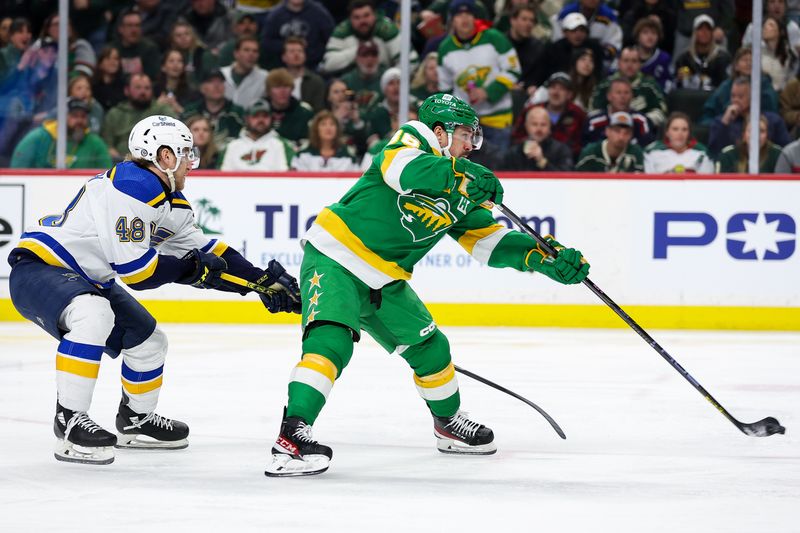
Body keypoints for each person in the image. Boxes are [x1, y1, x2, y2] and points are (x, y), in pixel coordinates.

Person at [264, 92, 590, 477]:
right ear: (440, 131)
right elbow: (401, 172)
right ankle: (291, 438)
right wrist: (461, 178)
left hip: (385, 279)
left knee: (432, 349)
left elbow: (490, 242)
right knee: (331, 341)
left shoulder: (463, 188)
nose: (472, 144)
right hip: (336, 256)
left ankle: (448, 424)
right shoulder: (413, 138)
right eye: (466, 134)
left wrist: (544, 258)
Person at [7, 114, 301, 465]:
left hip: (88, 280)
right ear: (165, 156)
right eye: (186, 152)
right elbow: (137, 273)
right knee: (93, 314)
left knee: (148, 341)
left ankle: (136, 420)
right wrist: (192, 270)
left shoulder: (169, 202)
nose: (193, 161)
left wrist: (259, 282)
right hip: (40, 268)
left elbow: (209, 254)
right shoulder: (132, 185)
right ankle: (69, 421)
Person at [438, 0, 521, 148]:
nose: (464, 18)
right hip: (464, 124)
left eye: (468, 14)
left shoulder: (494, 38)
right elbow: (445, 89)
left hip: (498, 119)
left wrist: (488, 92)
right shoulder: (445, 49)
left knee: (498, 168)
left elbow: (513, 69)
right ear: (452, 20)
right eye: (459, 15)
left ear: (475, 17)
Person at [10, 98, 112, 169]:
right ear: (62, 117)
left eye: (83, 116)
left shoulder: (95, 143)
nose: (79, 121)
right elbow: (17, 168)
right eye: (74, 116)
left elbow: (107, 175)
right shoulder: (38, 138)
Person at [321, 0, 413, 77]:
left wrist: (390, 81)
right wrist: (358, 50)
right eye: (357, 17)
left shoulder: (387, 29)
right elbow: (328, 64)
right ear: (350, 19)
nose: (362, 21)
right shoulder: (342, 31)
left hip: (384, 84)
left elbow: (411, 62)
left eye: (366, 15)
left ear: (375, 15)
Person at [707, 76, 792, 158]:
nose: (735, 100)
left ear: (753, 97)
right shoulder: (721, 122)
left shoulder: (773, 120)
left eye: (740, 96)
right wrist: (724, 122)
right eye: (733, 96)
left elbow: (786, 151)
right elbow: (713, 152)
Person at [101, 73, 173, 161]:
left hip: (156, 165)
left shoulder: (162, 111)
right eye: (138, 87)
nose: (143, 92)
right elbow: (107, 146)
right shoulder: (115, 114)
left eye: (147, 88)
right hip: (122, 165)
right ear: (127, 90)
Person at [590, 46, 667, 128]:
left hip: (641, 131)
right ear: (619, 63)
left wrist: (639, 121)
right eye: (626, 61)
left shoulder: (650, 85)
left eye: (634, 61)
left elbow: (661, 111)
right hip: (608, 129)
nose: (629, 65)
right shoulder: (605, 85)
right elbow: (593, 111)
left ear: (640, 64)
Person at [219, 99, 295, 171]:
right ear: (246, 119)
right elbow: (219, 176)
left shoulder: (283, 145)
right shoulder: (232, 146)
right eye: (256, 116)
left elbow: (292, 175)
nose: (261, 120)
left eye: (265, 116)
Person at [535, 12, 606, 87]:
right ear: (564, 32)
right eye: (573, 30)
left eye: (582, 30)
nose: (578, 34)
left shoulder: (595, 48)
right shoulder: (554, 49)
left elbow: (598, 74)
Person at [181, 69, 245, 150]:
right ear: (202, 88)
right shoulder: (190, 113)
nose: (216, 86)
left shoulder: (236, 114)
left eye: (220, 82)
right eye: (211, 82)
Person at [263, 0, 335, 71]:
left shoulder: (319, 12)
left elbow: (331, 38)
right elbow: (266, 42)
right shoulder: (275, 15)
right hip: (283, 67)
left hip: (314, 65)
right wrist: (286, 46)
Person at [550, 0, 623, 67]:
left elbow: (613, 44)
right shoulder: (565, 13)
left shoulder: (609, 17)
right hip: (565, 61)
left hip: (595, 64)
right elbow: (557, 42)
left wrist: (596, 57)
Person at [584, 77, 654, 146]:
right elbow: (586, 149)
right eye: (618, 92)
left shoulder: (641, 121)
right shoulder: (594, 122)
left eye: (626, 93)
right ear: (609, 96)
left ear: (632, 96)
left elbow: (648, 146)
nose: (622, 96)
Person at [501, 106, 573, 170]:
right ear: (527, 126)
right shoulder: (515, 152)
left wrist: (541, 161)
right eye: (534, 124)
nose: (539, 129)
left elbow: (566, 179)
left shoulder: (561, 150)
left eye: (543, 124)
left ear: (550, 127)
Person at [673, 15, 731, 92]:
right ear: (694, 32)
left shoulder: (722, 57)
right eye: (700, 28)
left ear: (712, 33)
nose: (704, 32)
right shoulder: (684, 58)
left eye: (708, 29)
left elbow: (726, 84)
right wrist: (679, 79)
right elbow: (675, 86)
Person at [643, 112, 713, 173]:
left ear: (689, 133)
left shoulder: (702, 153)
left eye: (684, 129)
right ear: (667, 132)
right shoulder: (652, 152)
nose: (680, 133)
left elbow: (706, 183)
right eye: (675, 129)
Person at [576, 111, 644, 172]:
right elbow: (578, 181)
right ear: (607, 131)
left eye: (626, 133)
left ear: (631, 135)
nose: (621, 137)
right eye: (617, 131)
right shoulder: (590, 153)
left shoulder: (635, 153)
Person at [291, 110, 359, 170]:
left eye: (332, 124)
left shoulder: (348, 157)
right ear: (316, 129)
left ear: (337, 129)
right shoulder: (303, 156)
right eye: (323, 124)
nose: (328, 128)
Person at [265, 67, 315, 149]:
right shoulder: (260, 111)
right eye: (277, 87)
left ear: (292, 89)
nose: (282, 91)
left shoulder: (304, 111)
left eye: (286, 86)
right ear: (268, 91)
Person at [716, 115, 782, 173]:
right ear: (744, 135)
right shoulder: (728, 155)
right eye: (752, 131)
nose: (756, 135)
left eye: (761, 131)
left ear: (767, 135)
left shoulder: (777, 154)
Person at [221, 36, 269, 110]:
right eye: (246, 50)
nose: (251, 54)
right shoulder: (221, 74)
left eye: (255, 51)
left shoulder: (265, 78)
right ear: (236, 53)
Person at [112, 10, 160, 82]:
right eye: (129, 25)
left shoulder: (150, 49)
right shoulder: (112, 49)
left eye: (137, 25)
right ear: (120, 29)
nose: (134, 30)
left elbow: (153, 79)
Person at [281, 36, 326, 113]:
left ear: (305, 56)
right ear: (284, 57)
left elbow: (319, 110)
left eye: (300, 51)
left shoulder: (316, 82)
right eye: (292, 51)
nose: (296, 54)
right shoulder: (278, 80)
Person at [154, 49, 200, 117]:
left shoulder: (192, 93)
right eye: (171, 61)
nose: (176, 65)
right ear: (163, 67)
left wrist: (178, 108)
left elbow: (195, 119)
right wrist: (156, 106)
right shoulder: (153, 90)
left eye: (179, 61)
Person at [340, 40, 385, 110]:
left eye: (374, 55)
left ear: (378, 58)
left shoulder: (387, 79)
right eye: (365, 55)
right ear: (357, 59)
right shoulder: (347, 81)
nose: (370, 59)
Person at [632, 17, 673, 93]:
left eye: (654, 33)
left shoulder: (664, 58)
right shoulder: (628, 55)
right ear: (637, 36)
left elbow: (668, 83)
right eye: (645, 32)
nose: (650, 37)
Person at [91, 46, 126, 111]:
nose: (113, 62)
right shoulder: (92, 86)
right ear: (100, 64)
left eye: (116, 58)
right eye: (108, 58)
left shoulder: (124, 86)